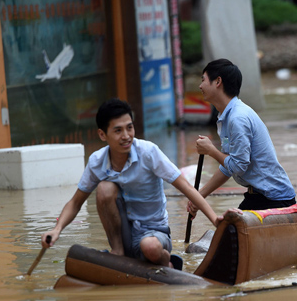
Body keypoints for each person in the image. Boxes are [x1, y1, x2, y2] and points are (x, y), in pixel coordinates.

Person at [41, 99, 231, 267]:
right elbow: (75, 202)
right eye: (118, 130)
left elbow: (187, 188)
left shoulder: (148, 153)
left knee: (148, 246)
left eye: (129, 128)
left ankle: (168, 262)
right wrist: (56, 230)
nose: (126, 136)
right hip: (125, 236)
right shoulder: (97, 162)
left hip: (155, 234)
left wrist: (214, 219)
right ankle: (118, 253)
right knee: (104, 188)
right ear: (102, 135)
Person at [188, 58, 296, 217]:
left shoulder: (238, 118)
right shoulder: (227, 116)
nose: (200, 86)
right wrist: (199, 196)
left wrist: (211, 151)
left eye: (203, 80)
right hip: (258, 195)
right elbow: (228, 166)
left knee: (230, 234)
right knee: (228, 232)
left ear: (217, 81)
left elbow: (238, 166)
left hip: (274, 199)